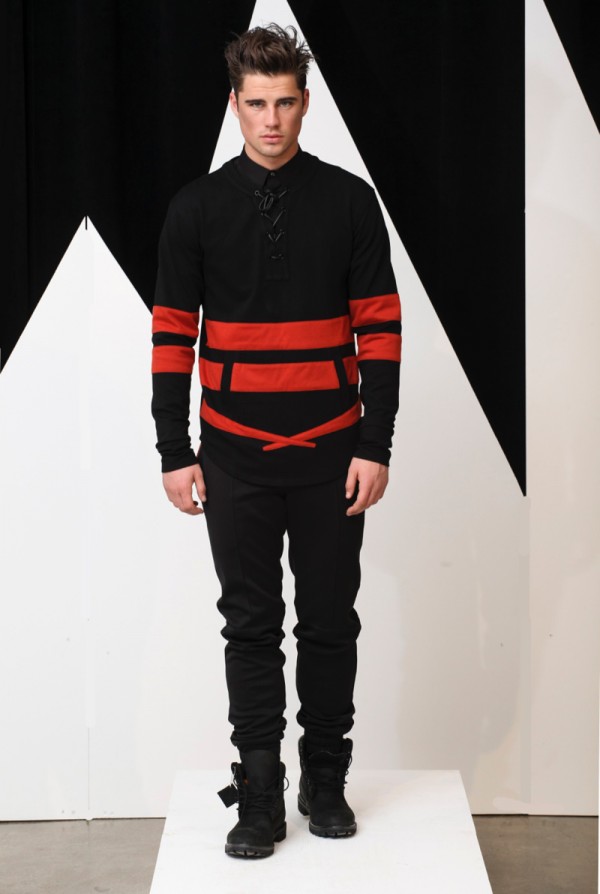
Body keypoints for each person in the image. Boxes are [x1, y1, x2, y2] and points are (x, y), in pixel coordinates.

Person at [151, 23, 401, 859]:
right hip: (231, 456)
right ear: (235, 104)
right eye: (256, 104)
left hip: (333, 454)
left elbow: (381, 332)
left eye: (284, 103)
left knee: (329, 624)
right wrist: (173, 450)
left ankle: (324, 781)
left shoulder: (351, 201)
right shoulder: (195, 208)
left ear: (305, 103)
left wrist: (376, 443)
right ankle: (259, 794)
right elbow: (171, 336)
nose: (271, 120)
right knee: (250, 627)